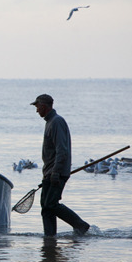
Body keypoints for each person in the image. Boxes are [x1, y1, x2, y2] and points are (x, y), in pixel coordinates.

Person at [31, 94, 90, 237]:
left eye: (37, 107)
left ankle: (81, 226)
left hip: (56, 173)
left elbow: (62, 150)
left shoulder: (56, 122)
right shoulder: (49, 121)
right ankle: (50, 237)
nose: (36, 110)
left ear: (44, 106)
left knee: (51, 204)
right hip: (49, 172)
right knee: (46, 207)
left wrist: (56, 172)